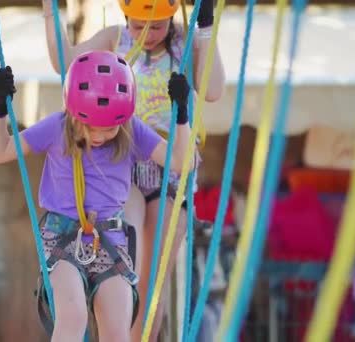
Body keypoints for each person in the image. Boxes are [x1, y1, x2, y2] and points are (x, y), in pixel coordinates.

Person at [41, 0, 225, 339]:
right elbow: (67, 65)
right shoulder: (116, 39)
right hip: (125, 160)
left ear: (170, 20)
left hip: (169, 165)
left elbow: (212, 90)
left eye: (155, 26)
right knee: (128, 259)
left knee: (153, 274)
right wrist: (51, 12)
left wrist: (206, 28)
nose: (147, 34)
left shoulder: (185, 43)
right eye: (138, 26)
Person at [0, 50, 192, 342]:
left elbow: (182, 161)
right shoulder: (56, 127)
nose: (100, 136)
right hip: (62, 236)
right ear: (73, 113)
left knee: (119, 331)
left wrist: (181, 115)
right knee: (73, 317)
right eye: (91, 127)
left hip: (111, 239)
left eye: (109, 129)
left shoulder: (131, 131)